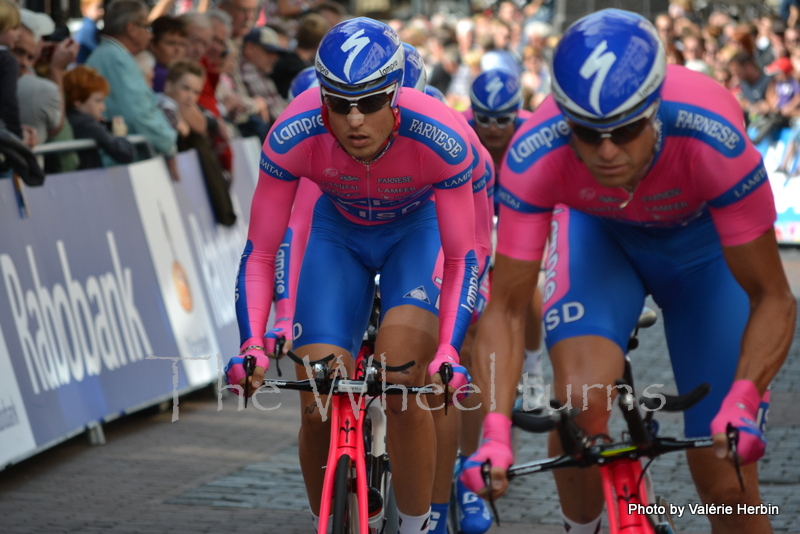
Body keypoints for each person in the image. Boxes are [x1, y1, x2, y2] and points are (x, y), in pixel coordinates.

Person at [463, 9, 795, 534]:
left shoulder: (716, 142)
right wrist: (496, 430)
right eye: (587, 134)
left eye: (627, 128)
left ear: (655, 108)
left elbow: (773, 297)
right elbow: (503, 307)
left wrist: (745, 396)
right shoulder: (535, 153)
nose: (608, 150)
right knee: (580, 405)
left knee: (728, 485)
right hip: (600, 237)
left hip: (702, 253)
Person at [225, 18, 478, 534]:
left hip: (417, 232)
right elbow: (260, 251)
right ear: (323, 100)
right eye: (339, 104)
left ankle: (415, 525)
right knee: (316, 399)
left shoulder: (442, 135)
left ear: (397, 97)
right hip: (338, 236)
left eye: (370, 103)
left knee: (401, 383)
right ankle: (330, 516)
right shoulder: (293, 131)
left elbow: (460, 259)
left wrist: (449, 349)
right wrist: (251, 342)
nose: (355, 120)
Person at [87, 0, 177, 160]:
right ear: (131, 29)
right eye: (147, 27)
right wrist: (169, 143)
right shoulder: (115, 59)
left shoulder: (112, 55)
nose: (151, 34)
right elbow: (138, 115)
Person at [63, 65, 135, 169]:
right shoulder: (85, 124)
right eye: (98, 101)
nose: (103, 108)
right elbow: (126, 154)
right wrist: (120, 134)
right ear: (77, 100)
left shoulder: (68, 118)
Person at [150, 16, 187, 92]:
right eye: (171, 43)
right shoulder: (159, 75)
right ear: (153, 45)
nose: (178, 50)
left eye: (182, 44)